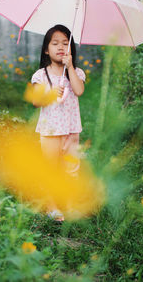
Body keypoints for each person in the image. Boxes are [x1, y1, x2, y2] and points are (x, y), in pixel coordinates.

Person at [31, 24, 85, 221]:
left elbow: (79, 91)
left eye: (65, 43)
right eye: (55, 43)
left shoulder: (76, 72)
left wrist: (70, 67)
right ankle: (51, 205)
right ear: (46, 49)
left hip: (71, 129)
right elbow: (36, 101)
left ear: (71, 48)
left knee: (72, 168)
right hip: (50, 130)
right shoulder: (41, 75)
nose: (61, 47)